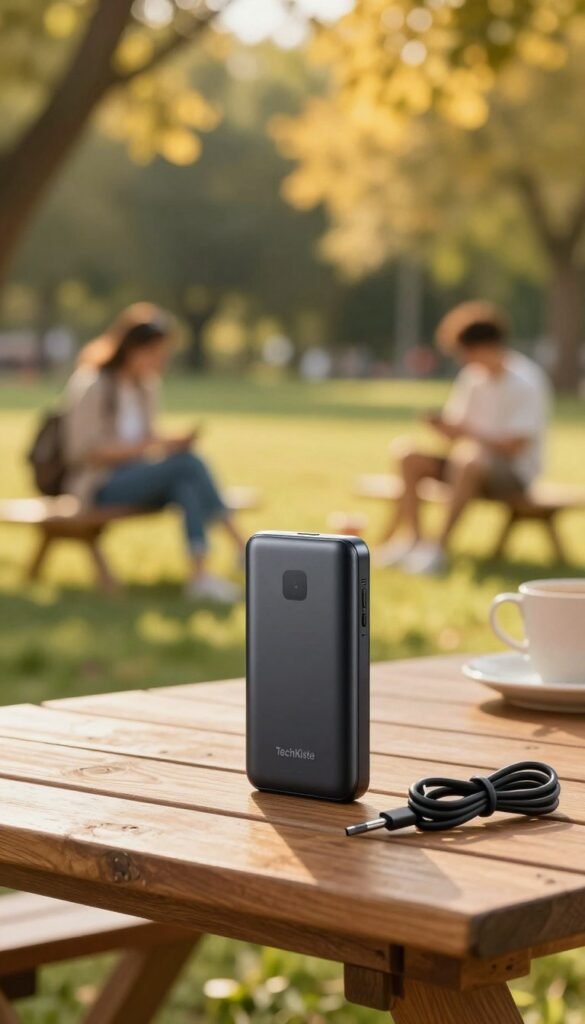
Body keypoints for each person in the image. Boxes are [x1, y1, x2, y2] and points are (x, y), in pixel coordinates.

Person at [63, 303, 245, 602]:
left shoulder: (145, 387)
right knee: (187, 465)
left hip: (139, 475)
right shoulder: (94, 384)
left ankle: (200, 576)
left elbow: (147, 437)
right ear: (132, 348)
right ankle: (240, 545)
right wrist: (149, 447)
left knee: (185, 482)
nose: (159, 361)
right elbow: (82, 451)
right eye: (154, 353)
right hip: (100, 483)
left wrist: (170, 441)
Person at [375, 301, 551, 575]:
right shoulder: (472, 378)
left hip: (511, 474)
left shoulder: (526, 381)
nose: (462, 360)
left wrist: (468, 434)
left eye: (464, 352)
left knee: (470, 458)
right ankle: (413, 542)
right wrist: (444, 428)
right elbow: (456, 435)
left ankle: (437, 549)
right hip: (465, 464)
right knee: (407, 454)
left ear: (485, 347)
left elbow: (515, 447)